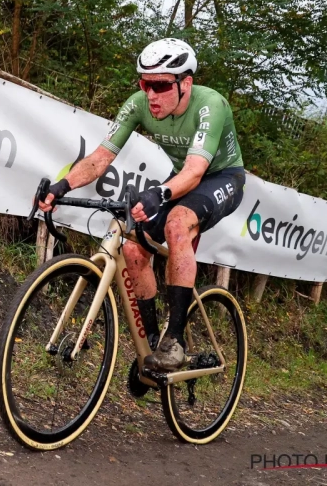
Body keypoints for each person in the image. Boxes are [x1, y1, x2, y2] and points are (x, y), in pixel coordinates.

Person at [38, 38, 245, 372]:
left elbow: (195, 172)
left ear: (186, 83)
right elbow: (99, 159)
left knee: (177, 223)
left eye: (161, 85)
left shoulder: (210, 105)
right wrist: (63, 185)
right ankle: (149, 348)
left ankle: (174, 341)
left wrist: (160, 193)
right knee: (133, 249)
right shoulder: (138, 105)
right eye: (145, 83)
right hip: (183, 176)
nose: (151, 94)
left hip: (222, 178)